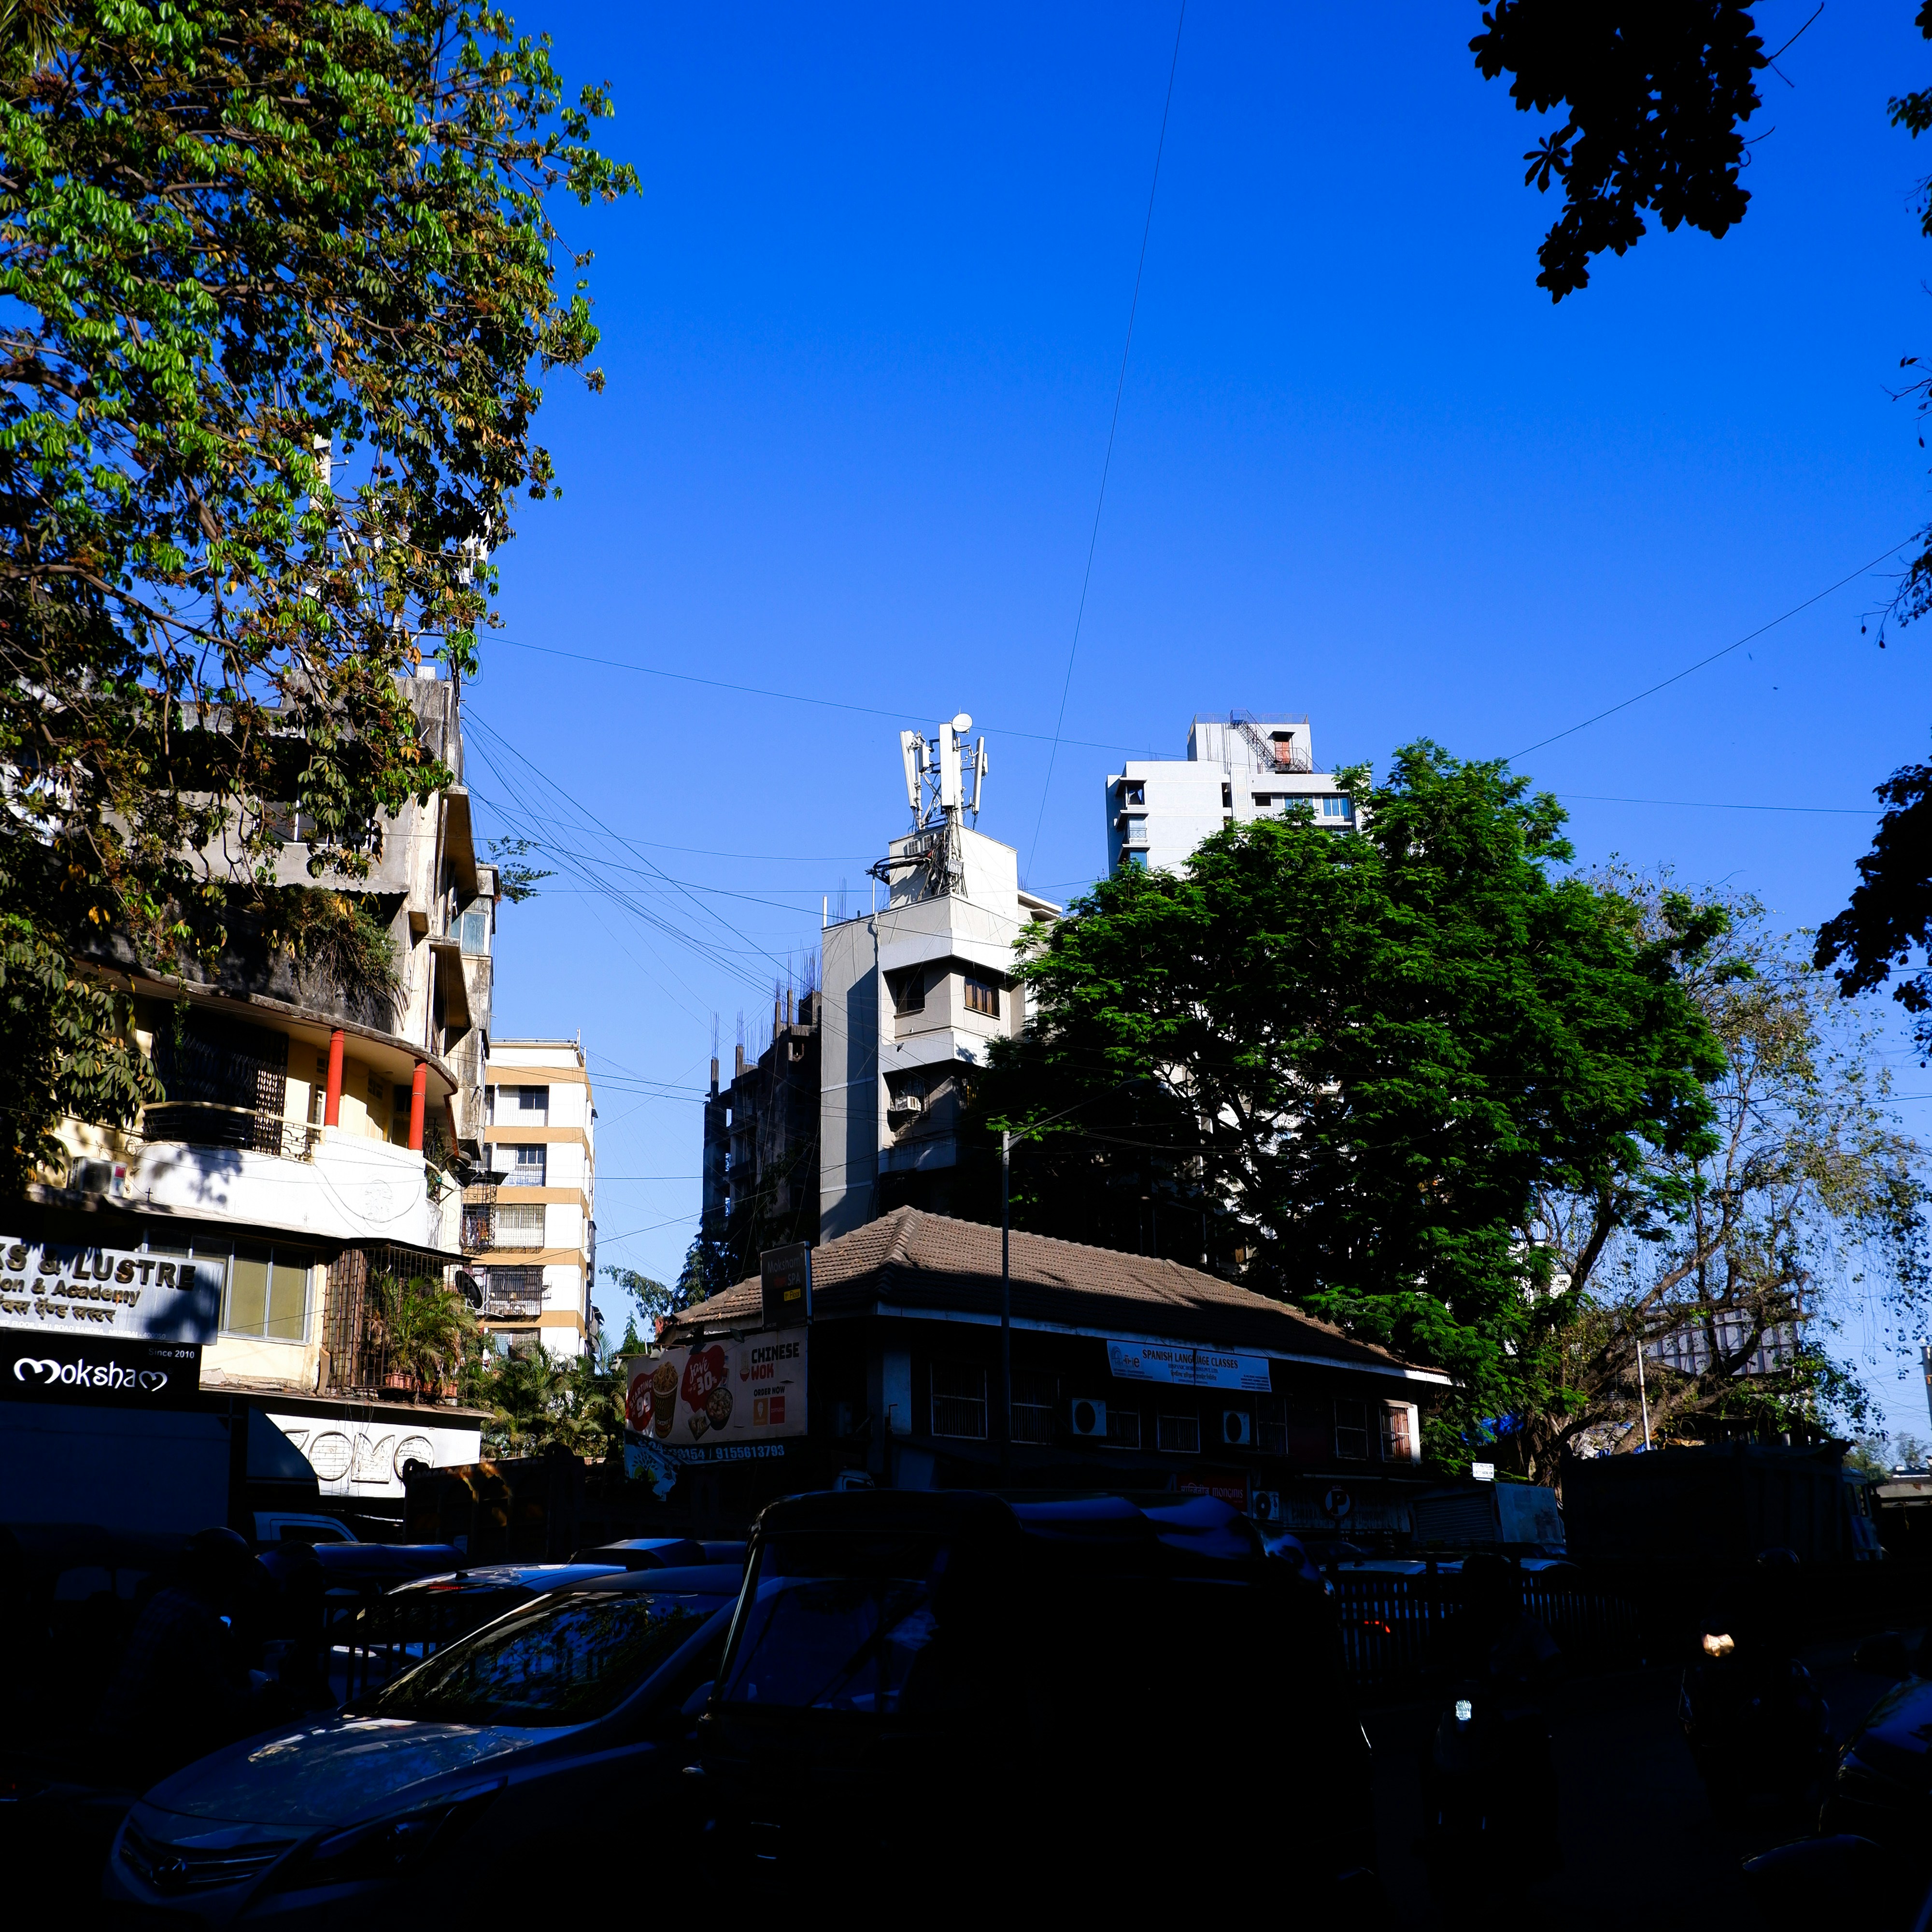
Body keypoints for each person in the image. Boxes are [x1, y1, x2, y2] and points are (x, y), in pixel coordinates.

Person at [93, 1526, 267, 1784]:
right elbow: (218, 1699)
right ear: (224, 1577)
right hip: (142, 1746)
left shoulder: (165, 1599)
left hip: (116, 1735)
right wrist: (261, 1696)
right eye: (236, 1578)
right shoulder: (197, 1617)